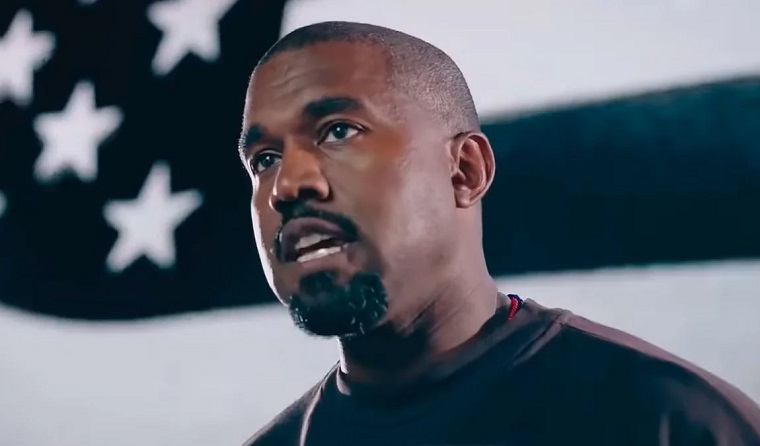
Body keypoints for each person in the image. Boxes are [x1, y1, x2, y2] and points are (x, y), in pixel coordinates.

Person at [237, 21, 760, 446]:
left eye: (338, 131)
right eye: (264, 159)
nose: (286, 185)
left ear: (465, 171)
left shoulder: (671, 424)